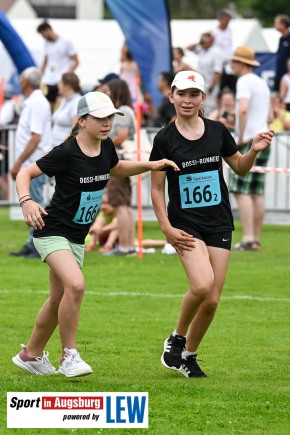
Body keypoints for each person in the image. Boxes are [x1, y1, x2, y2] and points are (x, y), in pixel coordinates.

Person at [12, 91, 179, 377]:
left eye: (111, 117)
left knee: (58, 299)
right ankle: (69, 356)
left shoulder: (106, 148)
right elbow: (23, 174)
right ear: (82, 121)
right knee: (75, 286)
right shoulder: (66, 152)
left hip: (76, 237)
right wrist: (27, 201)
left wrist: (151, 165)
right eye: (100, 118)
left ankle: (31, 354)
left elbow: (116, 169)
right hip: (52, 231)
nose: (107, 123)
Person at [149, 70, 274, 378]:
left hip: (218, 222)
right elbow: (155, 189)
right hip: (184, 223)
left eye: (194, 95)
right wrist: (165, 227)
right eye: (181, 94)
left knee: (213, 299)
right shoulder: (164, 138)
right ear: (172, 96)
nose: (187, 100)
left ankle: (189, 356)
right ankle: (177, 338)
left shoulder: (217, 131)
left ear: (203, 98)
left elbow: (241, 169)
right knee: (202, 284)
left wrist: (254, 152)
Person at [228, 46, 271, 251]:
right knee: (256, 191)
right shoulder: (261, 83)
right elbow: (270, 115)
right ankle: (255, 237)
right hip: (265, 136)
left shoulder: (244, 81)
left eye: (234, 61)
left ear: (241, 63)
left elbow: (243, 109)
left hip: (250, 139)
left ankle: (247, 237)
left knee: (239, 190)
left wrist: (241, 136)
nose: (232, 65)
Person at [10, 67, 51, 259]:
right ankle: (31, 242)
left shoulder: (36, 103)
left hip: (33, 164)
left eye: (21, 79)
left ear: (26, 82)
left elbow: (36, 137)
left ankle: (38, 243)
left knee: (35, 203)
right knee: (33, 202)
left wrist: (18, 164)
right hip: (31, 163)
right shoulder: (33, 101)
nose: (19, 82)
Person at [103, 78, 137, 255]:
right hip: (125, 159)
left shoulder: (122, 111)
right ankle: (129, 244)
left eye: (109, 92)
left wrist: (104, 146)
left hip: (119, 160)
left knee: (119, 204)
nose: (107, 95)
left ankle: (124, 245)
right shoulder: (128, 110)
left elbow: (122, 135)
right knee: (124, 204)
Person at [37, 21, 79, 110]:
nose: (43, 37)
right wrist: (41, 74)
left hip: (60, 80)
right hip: (48, 80)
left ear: (48, 30)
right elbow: (46, 60)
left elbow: (76, 61)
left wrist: (67, 75)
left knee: (61, 104)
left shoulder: (66, 42)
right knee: (47, 106)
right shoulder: (46, 44)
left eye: (43, 34)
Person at [188, 32, 223, 116]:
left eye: (205, 40)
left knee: (210, 108)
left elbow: (218, 72)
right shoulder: (202, 50)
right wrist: (199, 42)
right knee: (200, 106)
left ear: (211, 41)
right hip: (201, 84)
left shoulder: (216, 53)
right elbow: (188, 48)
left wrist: (212, 87)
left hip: (210, 86)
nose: (202, 42)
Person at [51, 72, 82, 148]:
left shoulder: (76, 101)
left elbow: (75, 131)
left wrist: (62, 147)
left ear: (67, 86)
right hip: (55, 146)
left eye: (60, 83)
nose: (58, 86)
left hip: (64, 149)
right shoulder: (64, 100)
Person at [0, 83, 18, 200]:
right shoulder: (11, 105)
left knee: (4, 175)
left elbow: (1, 122)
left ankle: (6, 200)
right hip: (6, 146)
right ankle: (7, 199)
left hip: (4, 146)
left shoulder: (9, 106)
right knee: (5, 175)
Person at [212, 9, 237, 92]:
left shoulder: (229, 31)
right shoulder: (214, 32)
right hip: (219, 65)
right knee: (220, 89)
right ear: (221, 20)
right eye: (226, 20)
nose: (228, 23)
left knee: (233, 87)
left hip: (229, 64)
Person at [273, 15, 290, 92]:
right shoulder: (281, 39)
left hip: (287, 76)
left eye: (276, 23)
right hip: (279, 74)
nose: (275, 25)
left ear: (283, 25)